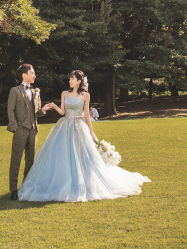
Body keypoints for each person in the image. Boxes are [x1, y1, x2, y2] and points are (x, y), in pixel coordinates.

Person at [17, 70, 150, 202]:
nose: (70, 81)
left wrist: (91, 131)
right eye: (69, 79)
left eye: (72, 79)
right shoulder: (64, 93)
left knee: (83, 154)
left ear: (79, 81)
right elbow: (63, 112)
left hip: (79, 127)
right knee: (62, 153)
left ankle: (84, 181)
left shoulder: (85, 96)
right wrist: (55, 107)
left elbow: (86, 114)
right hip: (65, 125)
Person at [7, 64, 48, 201]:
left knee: (30, 160)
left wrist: (45, 109)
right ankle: (13, 189)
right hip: (20, 129)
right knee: (16, 160)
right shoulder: (15, 91)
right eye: (32, 73)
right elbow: (10, 111)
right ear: (24, 75)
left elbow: (38, 112)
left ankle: (26, 187)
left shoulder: (36, 91)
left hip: (33, 130)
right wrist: (15, 128)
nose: (34, 75)